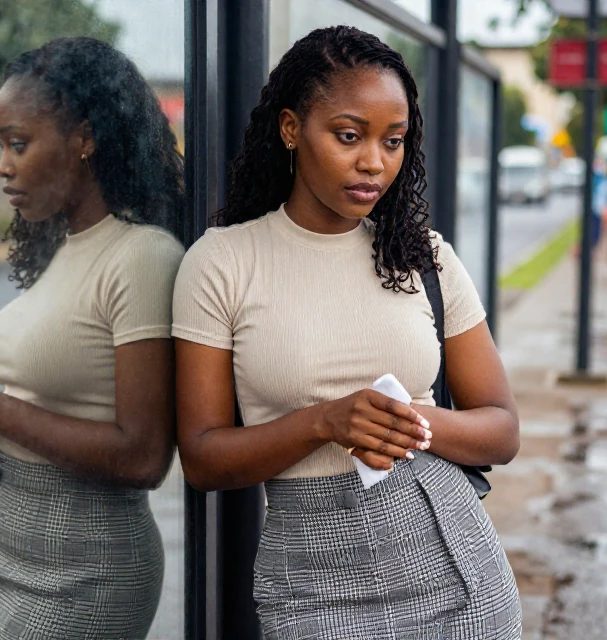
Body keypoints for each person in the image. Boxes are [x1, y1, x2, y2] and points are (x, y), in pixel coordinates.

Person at [172, 26, 523, 638]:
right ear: (291, 129)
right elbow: (202, 458)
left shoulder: (423, 257)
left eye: (393, 141)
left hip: (455, 567)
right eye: (348, 135)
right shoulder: (222, 263)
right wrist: (325, 422)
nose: (374, 163)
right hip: (310, 584)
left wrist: (408, 422)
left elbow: (502, 430)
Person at [0, 37, 185, 639]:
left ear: (84, 139)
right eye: (0, 146)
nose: (3, 165)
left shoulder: (143, 257)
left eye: (18, 143)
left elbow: (143, 456)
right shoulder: (64, 246)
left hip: (81, 567)